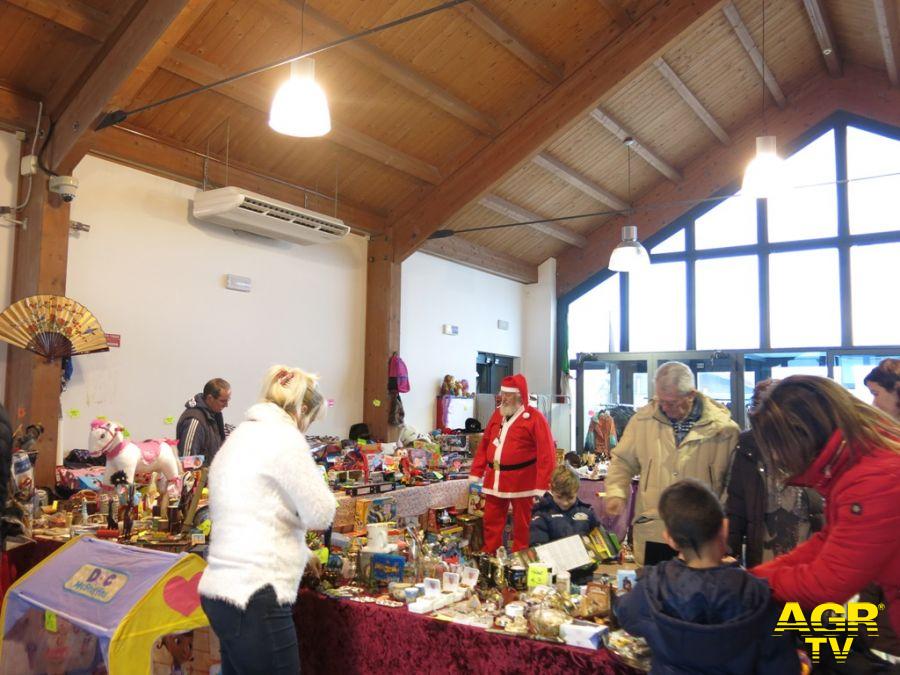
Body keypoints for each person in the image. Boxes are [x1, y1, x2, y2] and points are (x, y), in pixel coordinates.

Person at [749, 376, 900, 664]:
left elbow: (827, 583)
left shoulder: (874, 479)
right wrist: (757, 576)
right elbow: (830, 540)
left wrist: (753, 585)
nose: (779, 457)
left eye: (777, 446)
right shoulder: (861, 462)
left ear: (799, 435)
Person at [198, 366, 335, 675]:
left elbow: (257, 510)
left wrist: (302, 552)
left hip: (221, 590)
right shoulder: (284, 439)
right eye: (311, 420)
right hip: (257, 593)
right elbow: (321, 513)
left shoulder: (240, 435)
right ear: (302, 411)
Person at [616, 479, 799, 674]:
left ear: (670, 539)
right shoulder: (755, 594)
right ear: (724, 528)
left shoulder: (652, 586)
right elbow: (782, 665)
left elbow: (625, 614)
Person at [605, 362, 739, 565]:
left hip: (702, 535)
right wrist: (616, 491)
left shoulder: (725, 430)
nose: (665, 408)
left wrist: (726, 527)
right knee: (653, 591)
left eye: (672, 403)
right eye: (661, 401)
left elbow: (733, 483)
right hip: (655, 528)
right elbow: (622, 460)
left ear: (691, 395)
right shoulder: (642, 421)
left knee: (697, 592)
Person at [726, 379, 823, 567]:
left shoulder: (812, 442)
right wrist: (731, 551)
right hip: (764, 550)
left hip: (809, 547)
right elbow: (736, 504)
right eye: (755, 406)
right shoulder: (747, 446)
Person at [469, 374, 556, 553]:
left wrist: (542, 484)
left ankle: (520, 556)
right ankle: (490, 553)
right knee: (491, 519)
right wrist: (476, 471)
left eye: (508, 394)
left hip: (523, 479)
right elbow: (485, 444)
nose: (503, 398)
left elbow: (546, 452)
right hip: (495, 477)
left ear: (519, 396)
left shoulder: (534, 418)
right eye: (502, 394)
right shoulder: (497, 415)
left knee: (523, 522)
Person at [530, 466, 599, 584]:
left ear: (577, 491)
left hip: (584, 578)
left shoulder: (587, 512)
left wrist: (601, 553)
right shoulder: (542, 514)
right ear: (551, 489)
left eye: (570, 498)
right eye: (559, 497)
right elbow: (538, 549)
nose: (565, 502)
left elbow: (601, 541)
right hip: (554, 580)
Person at [176, 378, 230, 462]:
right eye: (222, 401)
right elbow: (187, 461)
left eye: (228, 400)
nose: (226, 405)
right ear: (210, 398)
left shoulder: (215, 414)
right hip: (199, 474)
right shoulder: (194, 421)